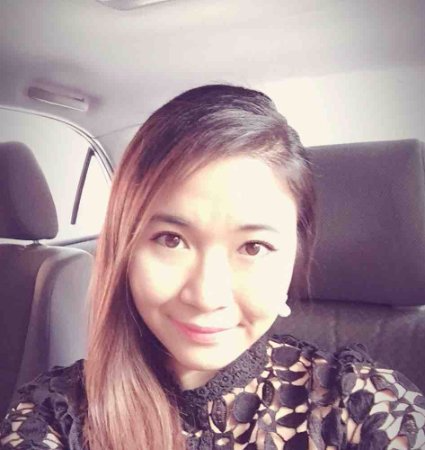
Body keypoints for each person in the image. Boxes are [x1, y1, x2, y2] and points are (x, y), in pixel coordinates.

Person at [1, 85, 424, 450]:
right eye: (171, 239)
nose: (206, 296)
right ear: (124, 248)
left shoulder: (363, 405)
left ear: (294, 257)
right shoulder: (54, 414)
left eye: (254, 247)